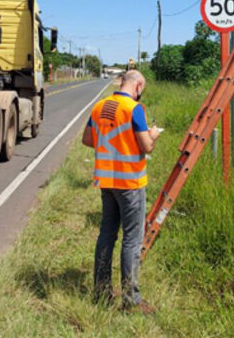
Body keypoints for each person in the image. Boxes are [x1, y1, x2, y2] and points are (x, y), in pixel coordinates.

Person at [82, 69, 161, 313]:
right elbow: (146, 147)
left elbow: (87, 139)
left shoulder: (100, 106)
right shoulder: (134, 109)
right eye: (142, 90)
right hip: (130, 184)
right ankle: (131, 300)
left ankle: (101, 292)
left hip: (106, 182)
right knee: (132, 240)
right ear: (138, 86)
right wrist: (153, 135)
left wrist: (112, 141)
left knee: (106, 234)